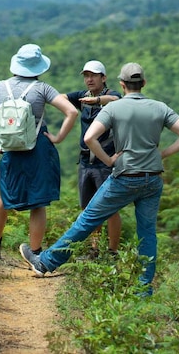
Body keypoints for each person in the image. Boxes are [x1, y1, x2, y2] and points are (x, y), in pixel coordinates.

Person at [20, 62, 179, 296]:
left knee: (87, 220)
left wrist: (109, 160)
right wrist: (161, 154)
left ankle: (45, 263)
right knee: (147, 232)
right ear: (143, 83)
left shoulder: (114, 109)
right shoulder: (160, 107)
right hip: (152, 178)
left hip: (124, 176)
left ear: (122, 85)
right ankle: (144, 289)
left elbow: (91, 137)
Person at [0, 44, 78, 260]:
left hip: (10, 148)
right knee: (38, 202)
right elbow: (72, 111)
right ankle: (36, 252)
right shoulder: (43, 89)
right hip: (37, 147)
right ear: (38, 68)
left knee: (0, 195)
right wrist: (58, 138)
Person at [65, 60, 122, 258]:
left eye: (94, 75)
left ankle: (113, 251)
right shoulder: (82, 96)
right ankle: (94, 249)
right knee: (88, 207)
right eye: (86, 75)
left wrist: (97, 101)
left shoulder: (113, 95)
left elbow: (118, 101)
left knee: (111, 207)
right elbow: (59, 98)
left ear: (103, 78)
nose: (89, 79)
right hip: (85, 161)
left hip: (105, 160)